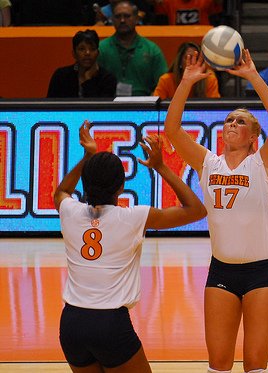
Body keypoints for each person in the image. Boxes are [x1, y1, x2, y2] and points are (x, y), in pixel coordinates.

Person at [164, 49, 268, 372]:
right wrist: (187, 82)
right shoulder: (208, 163)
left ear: (253, 136)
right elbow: (173, 130)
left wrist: (252, 76)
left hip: (262, 272)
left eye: (241, 121)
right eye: (229, 119)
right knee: (218, 364)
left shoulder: (262, 163)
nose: (232, 123)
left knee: (255, 365)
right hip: (221, 271)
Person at [53, 120, 207, 372]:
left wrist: (87, 157)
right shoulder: (133, 217)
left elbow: (62, 191)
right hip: (109, 323)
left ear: (86, 182)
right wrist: (161, 167)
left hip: (71, 322)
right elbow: (195, 210)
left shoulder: (70, 210)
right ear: (121, 187)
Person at [98, 0, 168, 96]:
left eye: (127, 16)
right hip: (109, 106)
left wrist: (150, 105)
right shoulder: (101, 49)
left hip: (144, 106)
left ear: (136, 18)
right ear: (112, 20)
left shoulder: (152, 50)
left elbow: (163, 85)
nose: (122, 20)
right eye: (118, 17)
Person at [47, 29, 117, 98]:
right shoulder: (61, 76)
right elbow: (49, 106)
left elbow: (99, 108)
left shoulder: (107, 79)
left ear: (97, 53)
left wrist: (88, 81)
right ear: (74, 53)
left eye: (92, 49)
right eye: (82, 49)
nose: (87, 53)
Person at [153, 41, 220, 99]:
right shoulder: (166, 80)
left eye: (197, 58)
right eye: (189, 57)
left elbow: (214, 110)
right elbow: (156, 110)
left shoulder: (209, 79)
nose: (193, 62)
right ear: (180, 62)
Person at [146, 0, 223, 25]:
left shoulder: (207, 1)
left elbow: (217, 11)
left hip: (202, 38)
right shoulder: (167, 2)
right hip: (175, 38)